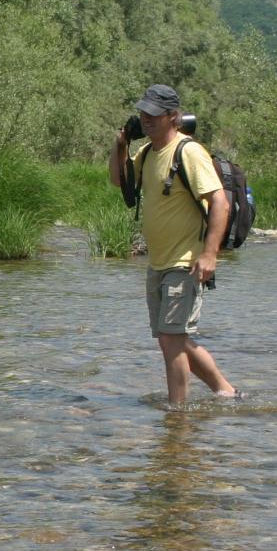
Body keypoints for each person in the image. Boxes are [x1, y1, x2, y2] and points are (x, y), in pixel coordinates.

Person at [108, 84, 242, 405]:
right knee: (172, 340)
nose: (146, 118)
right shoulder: (148, 152)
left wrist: (210, 254)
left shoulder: (188, 151)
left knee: (171, 338)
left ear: (173, 117)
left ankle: (177, 416)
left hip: (186, 261)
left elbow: (220, 204)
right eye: (143, 112)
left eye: (153, 113)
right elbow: (118, 180)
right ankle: (226, 391)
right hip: (158, 263)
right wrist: (121, 144)